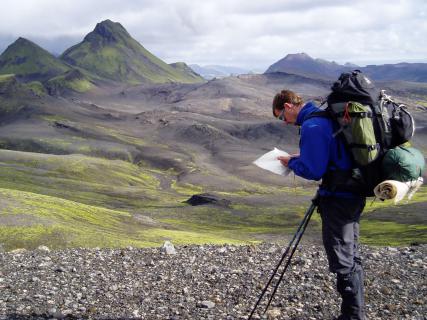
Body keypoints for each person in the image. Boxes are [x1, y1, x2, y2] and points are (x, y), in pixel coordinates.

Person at [272, 89, 366, 320]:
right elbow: (331, 155)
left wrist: (291, 163)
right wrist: (301, 157)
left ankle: (353, 317)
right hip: (354, 192)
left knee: (342, 259)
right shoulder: (324, 116)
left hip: (339, 198)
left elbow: (314, 170)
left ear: (287, 107)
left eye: (281, 117)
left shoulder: (313, 126)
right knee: (351, 254)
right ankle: (353, 313)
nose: (284, 123)